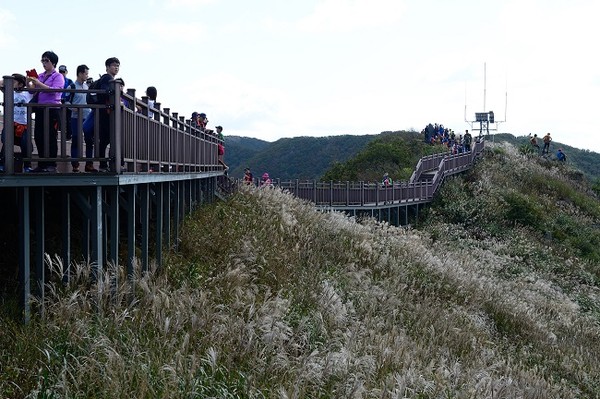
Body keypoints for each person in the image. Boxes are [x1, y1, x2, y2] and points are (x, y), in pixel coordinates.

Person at [27, 50, 65, 172]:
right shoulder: (41, 76)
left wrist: (38, 83)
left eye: (46, 60)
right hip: (40, 109)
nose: (44, 63)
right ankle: (42, 163)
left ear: (53, 62)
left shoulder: (58, 76)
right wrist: (29, 83)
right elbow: (32, 91)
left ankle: (51, 164)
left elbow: (55, 90)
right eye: (42, 60)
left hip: (52, 110)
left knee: (51, 137)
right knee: (38, 136)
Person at [0, 74, 33, 172]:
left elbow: (33, 89)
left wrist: (28, 81)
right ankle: (2, 164)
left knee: (26, 145)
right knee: (6, 142)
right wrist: (7, 80)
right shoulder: (9, 92)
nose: (11, 84)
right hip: (11, 123)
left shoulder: (27, 93)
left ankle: (27, 166)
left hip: (23, 125)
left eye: (14, 82)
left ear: (20, 84)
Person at [92, 57, 120, 173]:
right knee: (106, 139)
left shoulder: (108, 79)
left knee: (105, 139)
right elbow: (106, 94)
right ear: (107, 67)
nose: (116, 68)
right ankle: (105, 164)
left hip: (105, 113)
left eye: (118, 66)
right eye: (114, 65)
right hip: (106, 113)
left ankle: (104, 164)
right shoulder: (107, 78)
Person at [68, 64, 91, 173]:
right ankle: (75, 164)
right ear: (80, 73)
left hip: (87, 116)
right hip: (76, 117)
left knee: (89, 140)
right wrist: (73, 108)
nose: (87, 76)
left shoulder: (87, 87)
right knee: (76, 139)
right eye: (86, 73)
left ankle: (89, 164)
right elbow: (66, 101)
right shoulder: (72, 87)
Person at [59, 65, 74, 140]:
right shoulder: (56, 80)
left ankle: (69, 134)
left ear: (66, 72)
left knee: (68, 119)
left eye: (63, 72)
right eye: (60, 72)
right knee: (60, 119)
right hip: (58, 102)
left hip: (67, 102)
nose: (62, 73)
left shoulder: (70, 81)